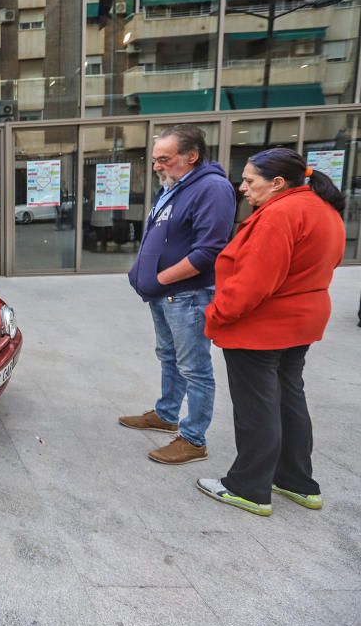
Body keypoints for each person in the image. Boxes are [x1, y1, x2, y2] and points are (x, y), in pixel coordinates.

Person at [197, 148, 345, 516]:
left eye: (249, 180)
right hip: (300, 323)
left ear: (278, 183)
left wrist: (216, 314)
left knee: (257, 407)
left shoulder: (279, 214)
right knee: (288, 400)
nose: (242, 188)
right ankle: (297, 482)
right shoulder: (322, 209)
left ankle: (248, 487)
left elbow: (253, 282)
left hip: (262, 327)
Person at [119, 125, 236, 464]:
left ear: (191, 157)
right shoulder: (174, 187)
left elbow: (208, 251)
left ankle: (194, 439)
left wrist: (160, 278)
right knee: (168, 356)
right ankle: (167, 414)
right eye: (155, 159)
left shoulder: (212, 189)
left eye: (164, 159)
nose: (156, 166)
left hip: (187, 296)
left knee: (194, 368)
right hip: (164, 295)